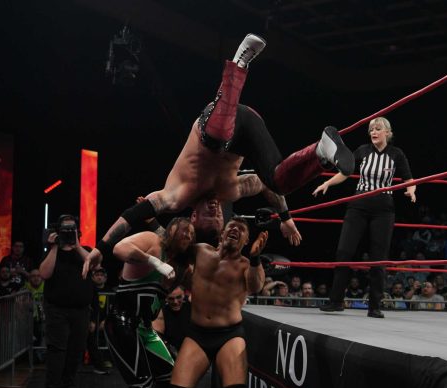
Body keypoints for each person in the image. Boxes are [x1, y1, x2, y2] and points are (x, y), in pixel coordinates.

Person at [83, 33, 356, 274]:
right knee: (277, 182)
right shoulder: (232, 191)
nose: (215, 212)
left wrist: (100, 249)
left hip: (214, 123)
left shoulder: (177, 195)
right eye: (218, 219)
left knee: (216, 141)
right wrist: (286, 218)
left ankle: (239, 63)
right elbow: (266, 188)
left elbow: (131, 215)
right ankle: (321, 151)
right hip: (249, 126)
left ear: (193, 217)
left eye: (208, 218)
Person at [166, 217, 273, 388]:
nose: (235, 230)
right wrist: (154, 219)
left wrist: (256, 258)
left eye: (242, 230)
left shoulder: (246, 264)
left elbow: (256, 286)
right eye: (232, 226)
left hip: (229, 335)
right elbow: (176, 244)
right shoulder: (201, 251)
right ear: (222, 233)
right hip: (198, 334)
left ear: (246, 240)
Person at [92, 217, 195, 388]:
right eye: (184, 230)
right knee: (141, 386)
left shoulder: (182, 266)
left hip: (144, 328)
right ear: (170, 231)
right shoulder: (153, 242)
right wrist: (155, 262)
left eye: (192, 233)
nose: (188, 235)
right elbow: (119, 249)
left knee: (172, 378)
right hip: (122, 322)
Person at [316, 116, 416, 318]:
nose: (373, 132)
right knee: (344, 252)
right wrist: (327, 183)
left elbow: (409, 178)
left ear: (387, 132)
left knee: (378, 258)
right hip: (358, 205)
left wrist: (411, 190)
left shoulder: (396, 154)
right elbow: (346, 171)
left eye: (378, 129)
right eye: (371, 129)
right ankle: (336, 301)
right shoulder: (362, 151)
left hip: (383, 209)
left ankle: (375, 306)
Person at [39, 215, 94, 388]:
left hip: (80, 310)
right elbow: (44, 273)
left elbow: (93, 264)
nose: (68, 232)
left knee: (76, 349)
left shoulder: (85, 251)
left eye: (72, 229)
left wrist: (76, 245)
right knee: (56, 350)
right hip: (57, 309)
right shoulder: (52, 252)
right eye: (65, 230)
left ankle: (68, 386)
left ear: (78, 231)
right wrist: (54, 247)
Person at [152, 285, 191, 354]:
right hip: (172, 351)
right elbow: (157, 337)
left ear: (184, 295)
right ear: (166, 298)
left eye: (178, 297)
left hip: (192, 348)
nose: (175, 302)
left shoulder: (192, 304)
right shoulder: (161, 309)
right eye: (171, 299)